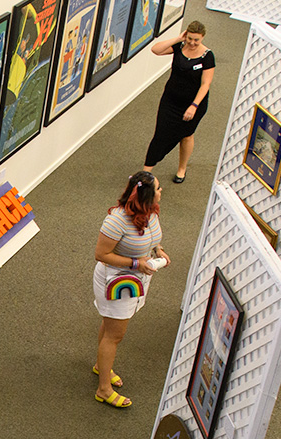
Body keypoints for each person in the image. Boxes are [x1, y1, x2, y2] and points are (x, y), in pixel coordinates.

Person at [91, 172, 168, 408]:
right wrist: (137, 263)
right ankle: (104, 389)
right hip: (116, 280)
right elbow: (101, 254)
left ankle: (100, 366)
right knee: (115, 335)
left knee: (111, 323)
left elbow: (151, 237)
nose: (161, 190)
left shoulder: (151, 211)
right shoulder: (116, 220)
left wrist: (158, 250)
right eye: (157, 188)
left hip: (135, 279)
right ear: (146, 194)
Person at [144, 21, 215, 183]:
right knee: (160, 134)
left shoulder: (207, 56)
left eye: (196, 40)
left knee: (186, 136)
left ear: (202, 38)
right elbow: (156, 50)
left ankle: (182, 169)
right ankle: (146, 172)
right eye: (189, 38)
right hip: (171, 100)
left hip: (193, 104)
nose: (192, 43)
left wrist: (194, 106)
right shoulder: (179, 47)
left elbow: (206, 84)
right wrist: (177, 39)